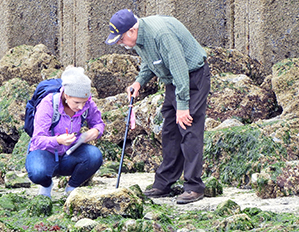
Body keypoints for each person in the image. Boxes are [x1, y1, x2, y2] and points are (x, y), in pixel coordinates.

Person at [106, 9, 210, 204]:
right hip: (173, 80)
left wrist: (183, 104)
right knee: (170, 130)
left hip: (193, 77)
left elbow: (179, 66)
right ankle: (163, 183)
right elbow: (150, 62)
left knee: (189, 128)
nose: (120, 44)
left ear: (130, 31)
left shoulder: (161, 34)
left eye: (120, 39)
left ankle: (194, 187)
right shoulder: (139, 38)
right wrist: (138, 82)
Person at [25, 66, 105, 198]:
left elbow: (98, 123)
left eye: (84, 102)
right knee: (38, 172)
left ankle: (71, 188)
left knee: (94, 155)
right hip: (46, 152)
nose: (80, 107)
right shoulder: (48, 104)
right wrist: (58, 140)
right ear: (66, 95)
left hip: (71, 152)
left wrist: (96, 131)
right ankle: (46, 185)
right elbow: (37, 139)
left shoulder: (87, 104)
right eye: (77, 102)